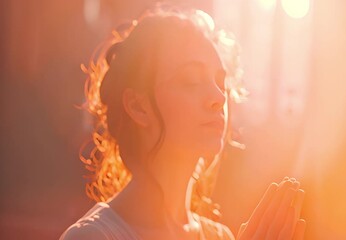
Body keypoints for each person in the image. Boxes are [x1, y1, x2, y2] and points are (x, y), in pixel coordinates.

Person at [60, 5, 305, 240]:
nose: (219, 97)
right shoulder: (92, 237)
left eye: (221, 82)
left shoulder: (219, 236)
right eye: (191, 81)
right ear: (138, 106)